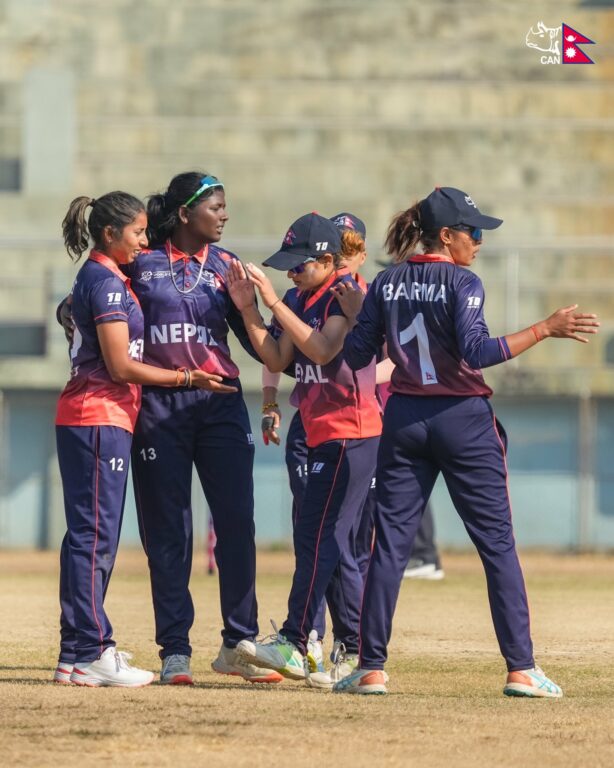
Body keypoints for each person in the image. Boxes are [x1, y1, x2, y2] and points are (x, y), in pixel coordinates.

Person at [331, 186, 599, 697]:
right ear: (447, 235)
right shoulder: (464, 281)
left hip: (404, 418)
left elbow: (356, 356)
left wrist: (365, 310)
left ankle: (370, 667)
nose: (478, 241)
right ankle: (521, 669)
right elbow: (476, 353)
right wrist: (545, 328)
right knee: (497, 545)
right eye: (472, 232)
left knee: (389, 547)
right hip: (462, 420)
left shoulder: (387, 281)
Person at [58, 172, 281, 686]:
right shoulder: (141, 260)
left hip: (220, 402)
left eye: (225, 207)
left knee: (237, 524)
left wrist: (250, 308)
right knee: (168, 533)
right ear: (184, 213)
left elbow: (266, 352)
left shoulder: (227, 267)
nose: (224, 215)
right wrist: (67, 312)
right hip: (158, 407)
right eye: (216, 207)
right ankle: (175, 649)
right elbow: (88, 297)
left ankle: (238, 643)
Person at [226, 212, 383, 688]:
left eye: (300, 265)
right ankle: (322, 644)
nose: (291, 274)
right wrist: (249, 310)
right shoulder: (298, 297)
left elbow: (321, 350)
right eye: (287, 267)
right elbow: (276, 358)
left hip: (352, 432)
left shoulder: (344, 294)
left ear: (328, 261)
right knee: (316, 538)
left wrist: (272, 301)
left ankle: (307, 642)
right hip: (318, 432)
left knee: (326, 540)